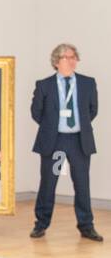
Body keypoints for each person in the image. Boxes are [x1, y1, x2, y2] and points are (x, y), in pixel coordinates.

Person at [31, 42, 99, 240]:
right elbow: (36, 113)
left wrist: (76, 126)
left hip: (79, 142)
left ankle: (86, 226)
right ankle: (41, 224)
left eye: (74, 57)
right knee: (49, 183)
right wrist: (53, 127)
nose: (72, 61)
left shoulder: (87, 83)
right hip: (55, 143)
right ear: (57, 61)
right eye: (68, 57)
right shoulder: (45, 85)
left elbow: (92, 110)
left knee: (82, 184)